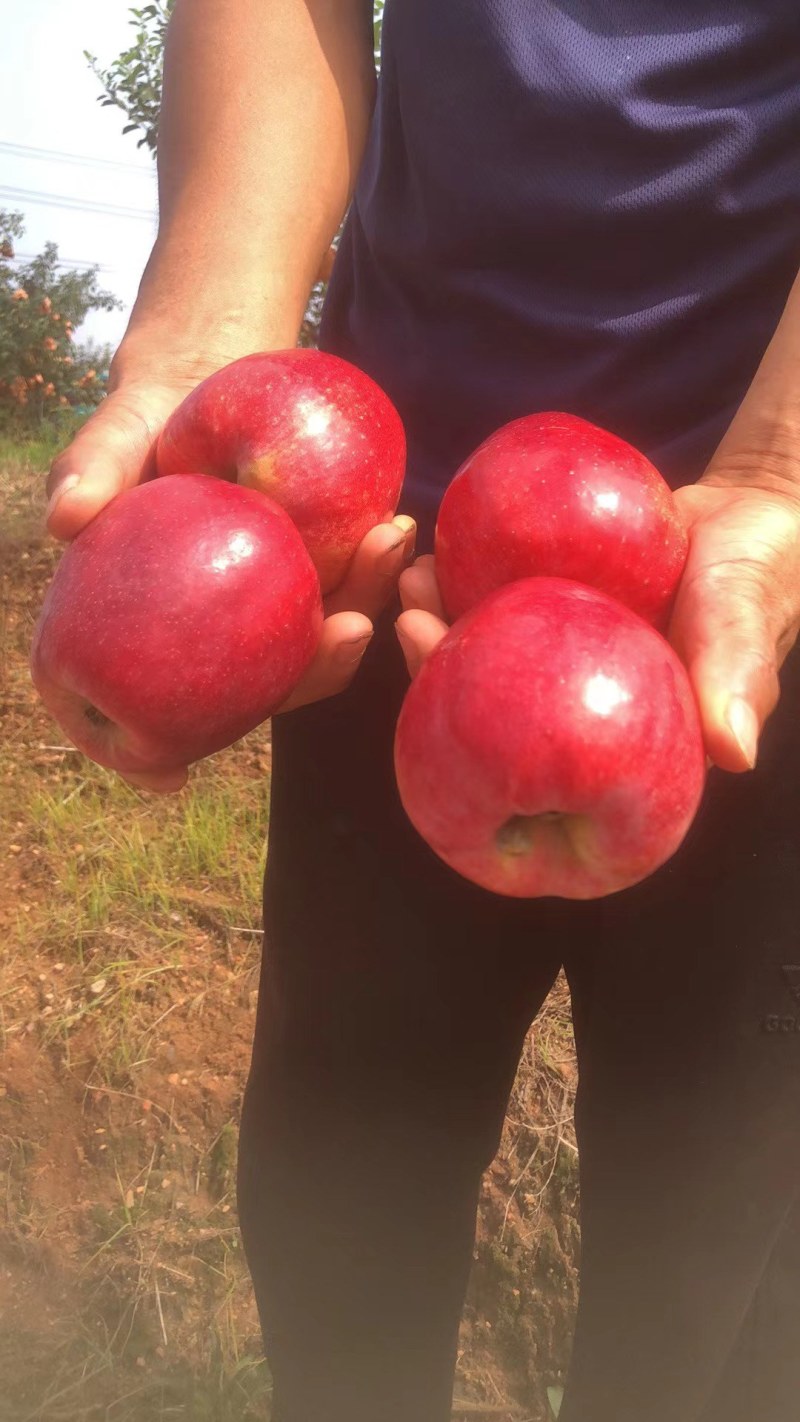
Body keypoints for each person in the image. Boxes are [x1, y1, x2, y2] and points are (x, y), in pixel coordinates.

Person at [46, 2, 800, 1418]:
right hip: (387, 559)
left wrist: (783, 466)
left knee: (719, 1287)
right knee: (340, 1222)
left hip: (765, 580)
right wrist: (215, 333)